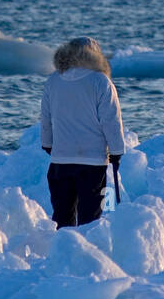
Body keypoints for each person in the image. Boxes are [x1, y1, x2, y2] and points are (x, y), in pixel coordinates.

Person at [39, 37, 128, 228]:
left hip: (60, 162)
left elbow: (45, 118)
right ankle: (86, 251)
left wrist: (47, 144)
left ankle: (63, 252)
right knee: (90, 218)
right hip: (92, 163)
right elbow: (111, 122)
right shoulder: (100, 81)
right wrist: (116, 151)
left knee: (62, 216)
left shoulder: (54, 80)